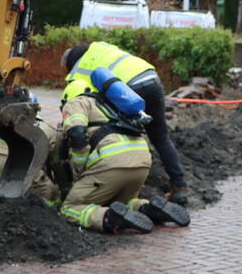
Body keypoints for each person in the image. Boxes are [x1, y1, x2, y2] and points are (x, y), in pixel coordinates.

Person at [61, 42, 190, 205]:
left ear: (70, 63)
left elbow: (80, 102)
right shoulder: (100, 47)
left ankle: (120, 184)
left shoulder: (78, 70)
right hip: (151, 78)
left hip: (129, 88)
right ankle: (179, 187)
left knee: (118, 133)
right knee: (160, 137)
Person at [60, 89, 189, 233]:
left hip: (112, 162)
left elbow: (77, 135)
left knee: (70, 208)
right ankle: (151, 209)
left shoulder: (77, 102)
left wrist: (78, 172)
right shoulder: (111, 103)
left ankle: (109, 219)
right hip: (141, 158)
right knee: (123, 203)